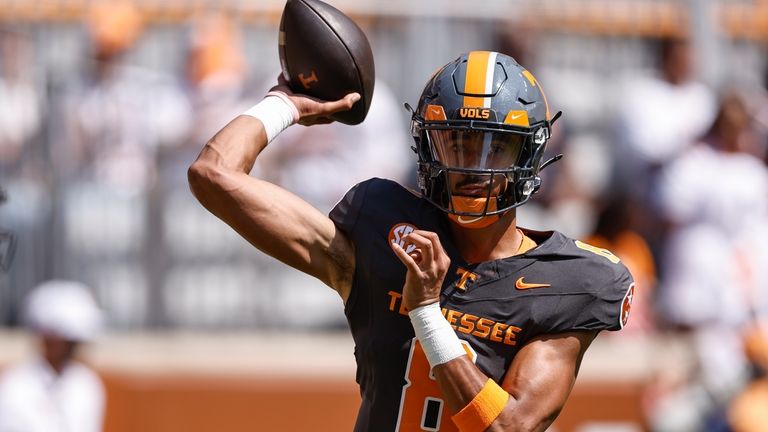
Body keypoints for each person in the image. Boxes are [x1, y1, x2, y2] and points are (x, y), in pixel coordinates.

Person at [189, 51, 634, 431]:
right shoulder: (385, 232)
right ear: (427, 146)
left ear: (529, 154)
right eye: (456, 143)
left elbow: (508, 425)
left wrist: (427, 313)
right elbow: (213, 175)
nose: (473, 168)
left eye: (494, 148)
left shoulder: (571, 280)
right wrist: (283, 105)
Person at [0, 280, 105, 432]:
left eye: (75, 342)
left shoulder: (86, 384)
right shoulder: (14, 385)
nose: (73, 349)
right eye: (68, 342)